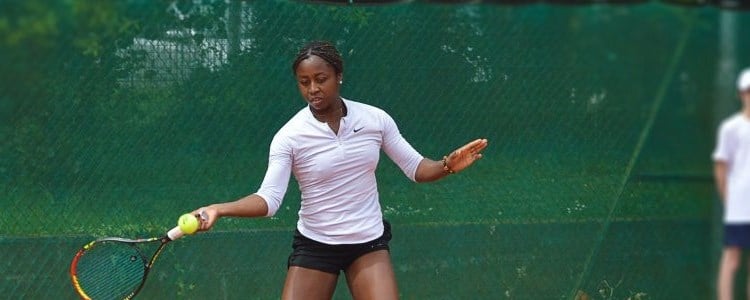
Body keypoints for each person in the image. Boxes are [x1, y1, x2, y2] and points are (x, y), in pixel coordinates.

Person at [189, 40, 488, 300]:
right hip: (316, 243)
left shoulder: (375, 119)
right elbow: (269, 200)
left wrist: (447, 164)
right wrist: (219, 208)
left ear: (339, 76)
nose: (313, 89)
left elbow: (416, 168)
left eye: (321, 79)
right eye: (304, 82)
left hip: (367, 242)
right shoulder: (290, 136)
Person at [714, 67, 750, 300]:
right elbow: (721, 167)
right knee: (732, 259)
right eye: (748, 91)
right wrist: (730, 201)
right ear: (740, 94)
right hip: (738, 206)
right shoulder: (730, 127)